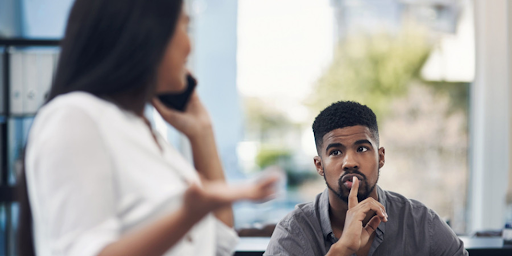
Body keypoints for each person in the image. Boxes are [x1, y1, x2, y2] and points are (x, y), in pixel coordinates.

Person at [17, 0, 278, 255]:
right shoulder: (76, 116)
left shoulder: (144, 132)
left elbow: (220, 243)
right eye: (184, 28)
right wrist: (188, 214)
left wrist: (202, 134)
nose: (190, 46)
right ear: (145, 33)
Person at [264, 101, 468, 256]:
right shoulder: (293, 231)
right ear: (319, 166)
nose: (350, 162)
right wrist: (341, 250)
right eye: (335, 152)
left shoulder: (421, 222)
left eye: (361, 148)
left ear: (380, 157)